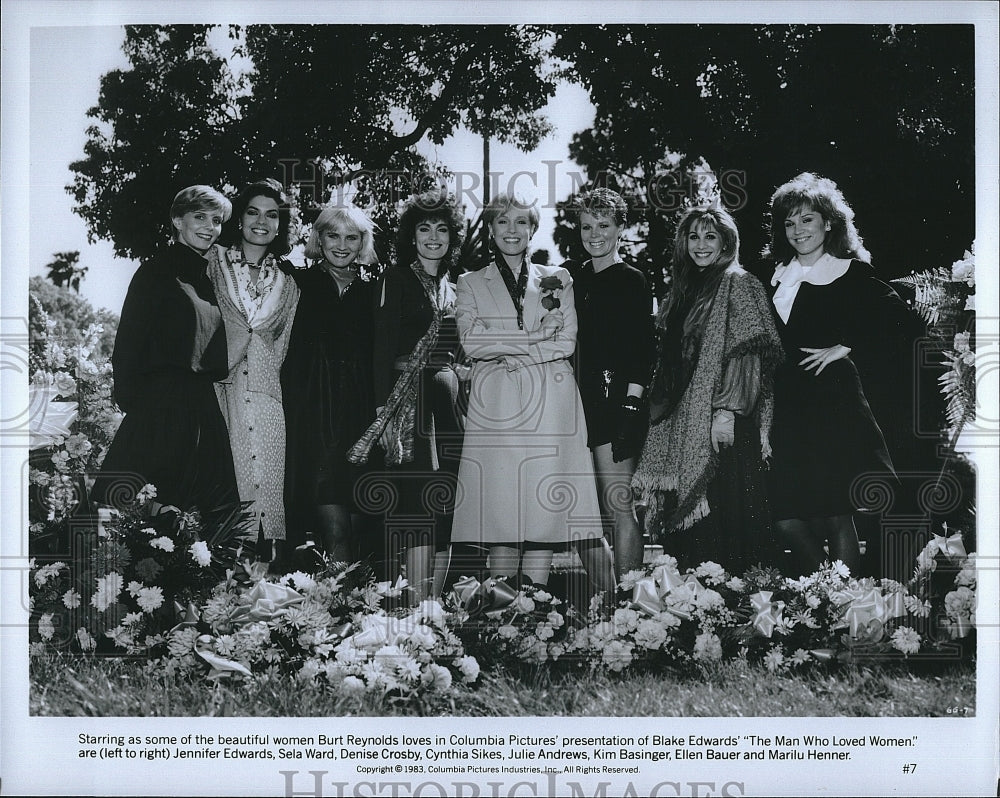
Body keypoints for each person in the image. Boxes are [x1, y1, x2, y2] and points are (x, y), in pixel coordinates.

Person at [451, 192, 615, 598]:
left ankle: (536, 603)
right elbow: (471, 343)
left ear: (531, 229)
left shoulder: (558, 277)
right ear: (490, 230)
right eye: (502, 222)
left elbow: (567, 342)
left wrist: (512, 349)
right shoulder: (469, 282)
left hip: (551, 402)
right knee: (503, 508)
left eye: (521, 222)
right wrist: (535, 335)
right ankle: (500, 605)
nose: (512, 230)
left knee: (543, 511)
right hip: (497, 403)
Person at [764, 172, 908, 576]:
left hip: (833, 404)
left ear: (829, 222)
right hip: (788, 408)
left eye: (807, 219)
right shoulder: (775, 274)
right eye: (789, 223)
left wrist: (845, 346)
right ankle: (833, 594)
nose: (797, 230)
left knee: (834, 515)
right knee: (786, 519)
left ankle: (844, 607)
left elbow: (902, 316)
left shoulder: (849, 271)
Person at [632, 203, 783, 574]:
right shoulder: (685, 290)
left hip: (722, 427)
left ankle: (737, 614)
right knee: (695, 532)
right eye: (693, 236)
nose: (701, 245)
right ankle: (696, 618)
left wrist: (726, 412)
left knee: (727, 522)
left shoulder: (738, 282)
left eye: (710, 236)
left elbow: (746, 353)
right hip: (686, 424)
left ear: (726, 242)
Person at [348, 188, 465, 602]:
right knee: (417, 505)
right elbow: (381, 347)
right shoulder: (394, 278)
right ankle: (414, 607)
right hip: (409, 405)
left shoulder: (457, 288)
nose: (433, 236)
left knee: (447, 502)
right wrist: (383, 409)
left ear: (453, 236)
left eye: (442, 229)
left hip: (449, 406)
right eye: (424, 228)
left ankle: (433, 609)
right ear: (411, 236)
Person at [93, 185, 238, 516]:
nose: (209, 227)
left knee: (205, 519)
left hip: (202, 407)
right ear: (177, 220)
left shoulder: (211, 280)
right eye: (199, 217)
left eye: (216, 220)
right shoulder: (155, 272)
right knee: (138, 509)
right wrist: (142, 408)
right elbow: (128, 344)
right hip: (160, 405)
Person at [208, 178, 299, 565]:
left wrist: (265, 382)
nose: (261, 221)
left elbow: (282, 345)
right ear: (239, 218)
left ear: (280, 225)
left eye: (272, 215)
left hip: (265, 396)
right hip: (220, 389)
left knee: (268, 497)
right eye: (252, 211)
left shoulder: (289, 283)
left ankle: (265, 601)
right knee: (227, 488)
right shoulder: (213, 261)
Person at [566, 188, 655, 579]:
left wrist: (631, 407)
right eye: (587, 226)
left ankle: (631, 605)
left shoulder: (633, 280)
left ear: (621, 227)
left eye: (604, 224)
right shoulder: (570, 279)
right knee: (576, 509)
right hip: (571, 402)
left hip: (614, 403)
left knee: (619, 503)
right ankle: (608, 597)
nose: (595, 233)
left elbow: (643, 351)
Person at [282, 205, 379, 564]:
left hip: (362, 418)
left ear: (362, 242)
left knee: (357, 529)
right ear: (318, 239)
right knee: (333, 528)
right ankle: (337, 611)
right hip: (312, 417)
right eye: (332, 235)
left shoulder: (375, 290)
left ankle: (353, 610)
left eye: (351, 237)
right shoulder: (296, 282)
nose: (341, 245)